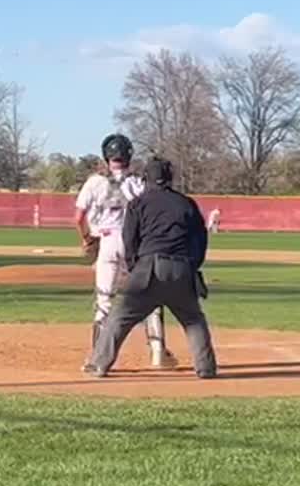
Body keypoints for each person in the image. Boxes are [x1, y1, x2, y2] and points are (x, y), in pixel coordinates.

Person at [85, 157, 217, 378]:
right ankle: (206, 368)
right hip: (181, 268)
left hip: (148, 268)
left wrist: (137, 267)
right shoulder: (186, 203)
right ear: (170, 178)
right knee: (194, 319)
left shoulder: (138, 203)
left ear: (146, 178)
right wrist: (191, 266)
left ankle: (99, 364)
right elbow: (200, 239)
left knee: (120, 317)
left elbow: (130, 240)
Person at [76, 133, 174, 369]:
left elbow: (79, 216)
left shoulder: (94, 182)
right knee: (150, 297)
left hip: (107, 243)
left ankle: (97, 357)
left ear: (106, 156)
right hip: (136, 244)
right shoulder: (138, 183)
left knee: (104, 300)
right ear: (128, 155)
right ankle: (158, 352)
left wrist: (87, 238)